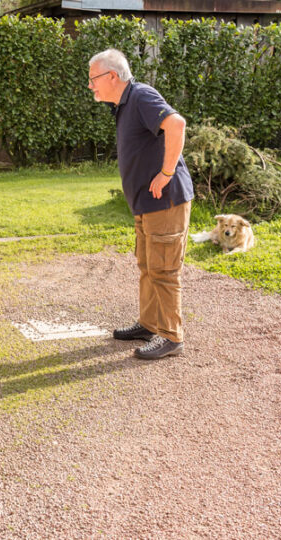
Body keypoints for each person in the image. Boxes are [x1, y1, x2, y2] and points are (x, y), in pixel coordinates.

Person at [88, 49, 194, 360]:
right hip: (146, 204)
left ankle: (171, 337)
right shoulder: (125, 104)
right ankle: (149, 325)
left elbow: (177, 125)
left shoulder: (142, 96)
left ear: (111, 76)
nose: (90, 86)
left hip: (165, 201)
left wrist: (166, 173)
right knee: (149, 267)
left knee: (163, 270)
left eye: (93, 79)